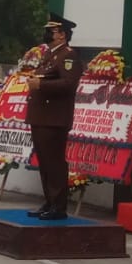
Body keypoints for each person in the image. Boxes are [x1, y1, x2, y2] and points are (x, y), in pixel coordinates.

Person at [27, 13, 82, 221]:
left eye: (52, 31)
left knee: (54, 162)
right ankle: (49, 201)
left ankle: (58, 206)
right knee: (44, 162)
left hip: (55, 119)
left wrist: (41, 85)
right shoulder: (50, 55)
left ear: (62, 35)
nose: (47, 34)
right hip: (42, 117)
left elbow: (69, 84)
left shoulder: (68, 56)